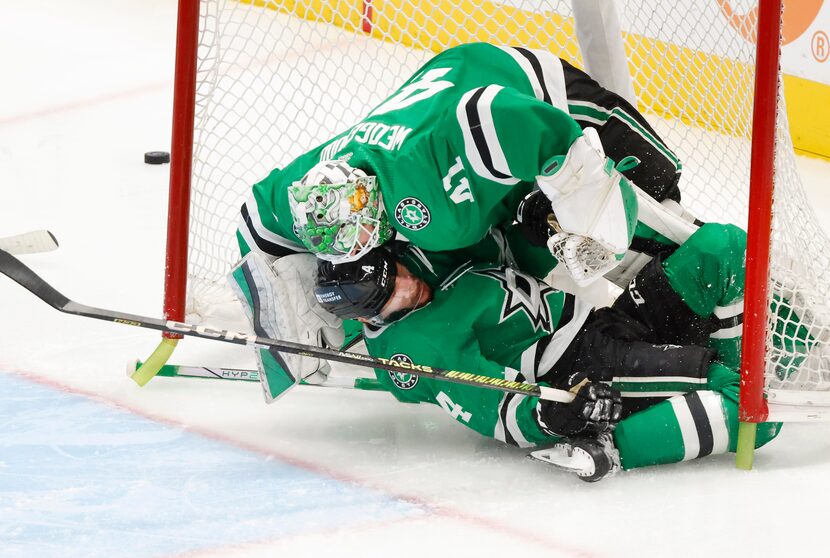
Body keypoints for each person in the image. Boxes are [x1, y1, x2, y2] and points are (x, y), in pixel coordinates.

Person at [309, 223, 788, 481]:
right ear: (363, 316)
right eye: (393, 294)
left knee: (721, 248)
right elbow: (495, 413)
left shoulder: (418, 257)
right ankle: (610, 449)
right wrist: (555, 419)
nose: (410, 285)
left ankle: (737, 366)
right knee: (754, 407)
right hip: (584, 369)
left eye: (395, 271)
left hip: (603, 322)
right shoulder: (416, 352)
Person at [236, 42, 693, 287]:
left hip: (515, 84)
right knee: (548, 233)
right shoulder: (313, 188)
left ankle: (735, 290)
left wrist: (582, 184)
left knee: (657, 187)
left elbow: (508, 117)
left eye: (356, 234)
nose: (358, 247)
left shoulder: (423, 180)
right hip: (459, 124)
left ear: (368, 201)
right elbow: (254, 219)